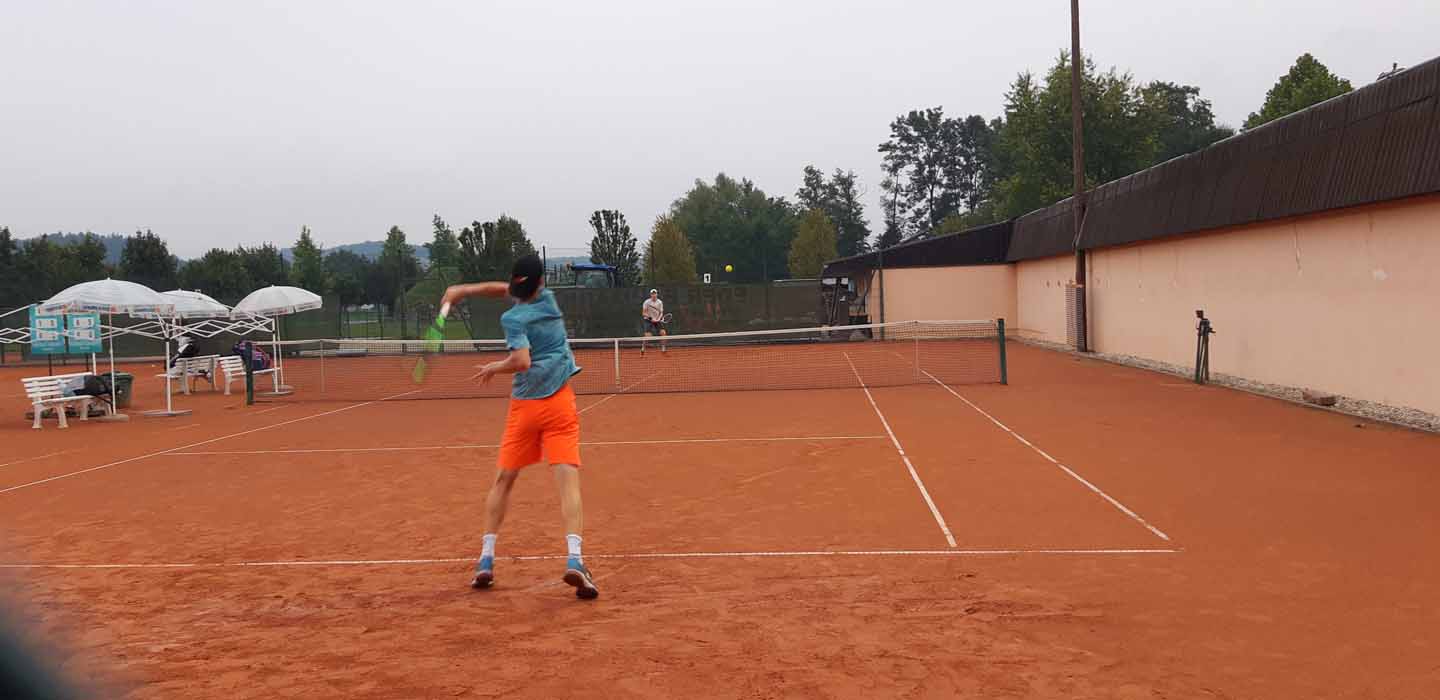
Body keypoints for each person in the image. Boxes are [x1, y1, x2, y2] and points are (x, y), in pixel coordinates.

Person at [441, 254, 599, 600]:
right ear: (540, 282)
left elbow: (521, 360)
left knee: (503, 481)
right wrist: (464, 291)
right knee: (568, 482)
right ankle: (575, 558)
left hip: (525, 409)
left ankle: (485, 560)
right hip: (559, 404)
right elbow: (522, 354)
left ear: (516, 284)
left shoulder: (512, 318)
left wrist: (493, 366)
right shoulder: (549, 300)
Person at [640, 288, 667, 354]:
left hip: (657, 320)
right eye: (652, 294)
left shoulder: (660, 302)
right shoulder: (646, 302)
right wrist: (651, 318)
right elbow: (643, 313)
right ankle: (643, 348)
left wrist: (658, 319)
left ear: (657, 294)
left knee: (663, 333)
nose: (654, 295)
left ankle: (663, 348)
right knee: (648, 336)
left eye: (655, 293)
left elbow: (661, 312)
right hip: (648, 320)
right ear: (650, 295)